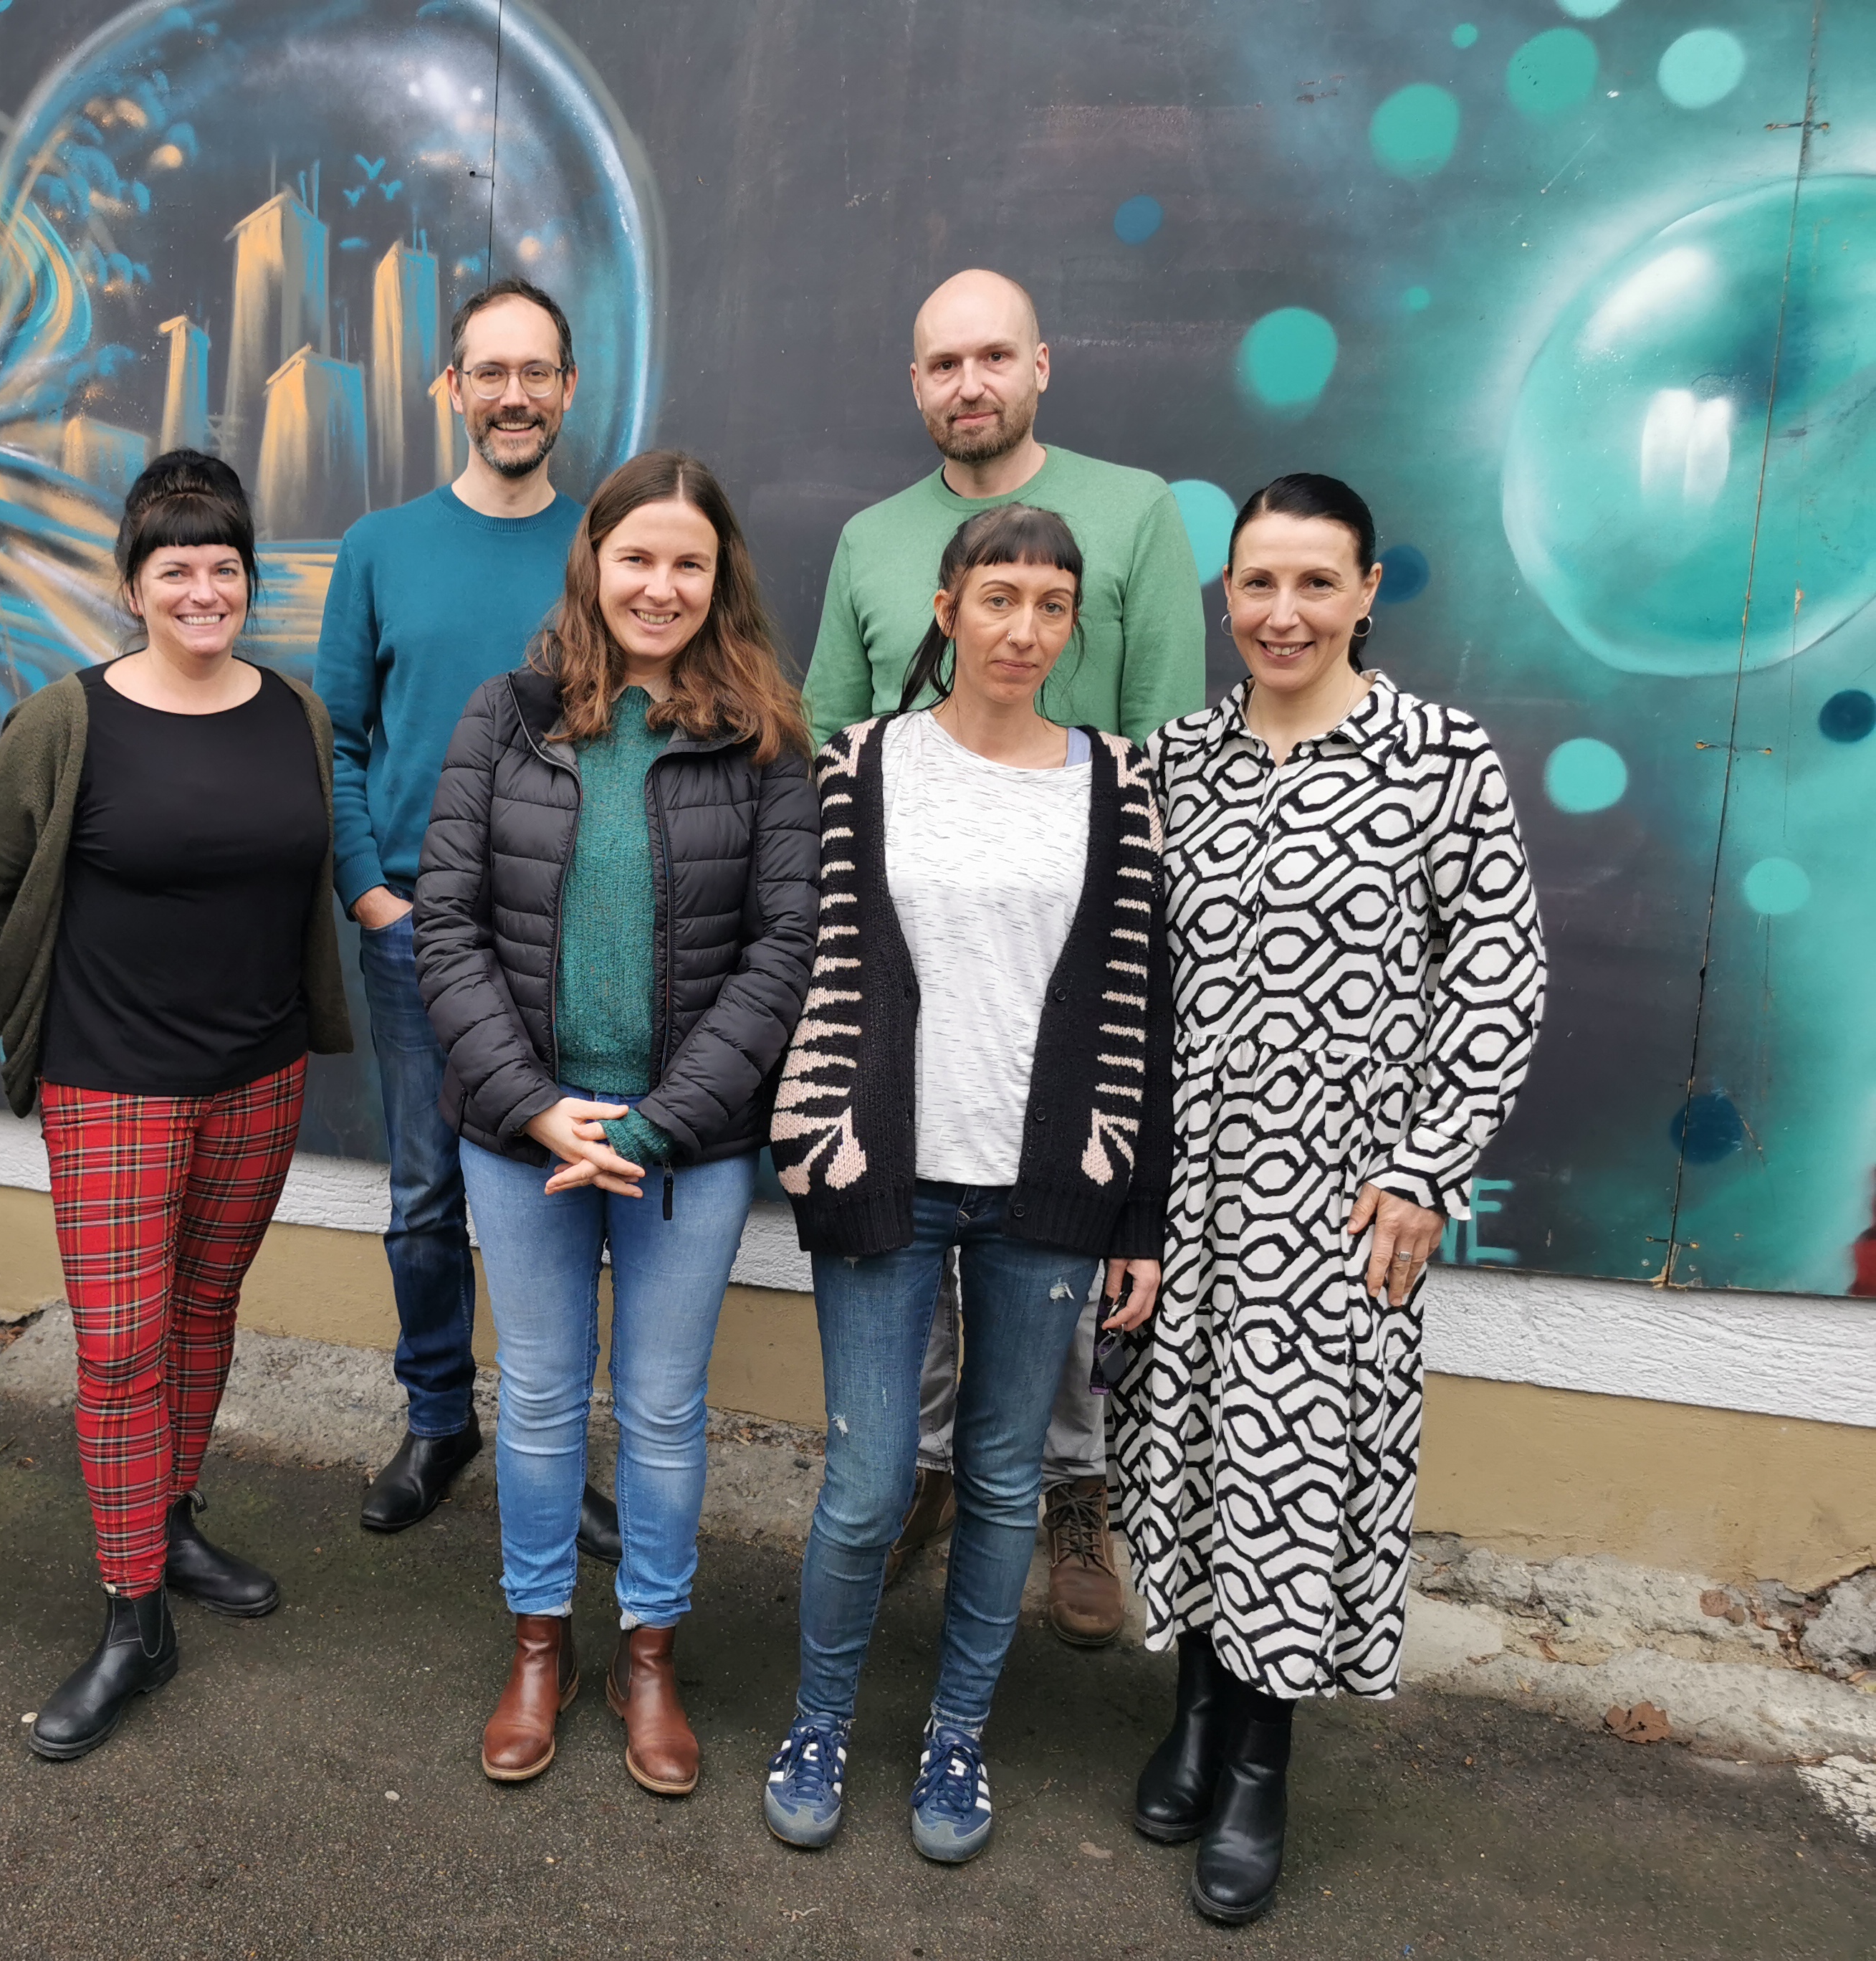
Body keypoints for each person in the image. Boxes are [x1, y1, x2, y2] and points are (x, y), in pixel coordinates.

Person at [1114, 474, 1546, 1924]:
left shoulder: (1439, 758)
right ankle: (1191, 1713)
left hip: (1341, 1206)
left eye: (1315, 583)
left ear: (1367, 593)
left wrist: (1427, 1165)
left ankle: (1258, 1763)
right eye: (1258, 583)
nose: (1283, 612)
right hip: (1185, 1202)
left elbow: (1499, 973)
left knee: (1290, 1481)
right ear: (1225, 596)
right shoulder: (1176, 762)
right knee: (1182, 1455)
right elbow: (1124, 979)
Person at [801, 268, 1207, 1645]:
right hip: (917, 950)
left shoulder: (1133, 512)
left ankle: (1073, 1494)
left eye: (992, 357)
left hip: (1067, 938)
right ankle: (918, 1478)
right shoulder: (870, 539)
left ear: (1042, 364)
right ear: (914, 383)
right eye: (942, 364)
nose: (967, 384)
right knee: (906, 1242)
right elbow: (829, 732)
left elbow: (1165, 732)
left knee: (1058, 1247)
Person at [763, 506, 1173, 1862]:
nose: (1025, 629)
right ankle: (820, 1721)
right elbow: (810, 964)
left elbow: (1143, 1010)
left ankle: (956, 1736)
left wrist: (1138, 1216)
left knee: (1003, 1479)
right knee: (868, 1482)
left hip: (1048, 1187)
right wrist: (811, 1137)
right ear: (947, 610)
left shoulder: (1116, 783)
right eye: (999, 598)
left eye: (1053, 605)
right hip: (883, 1170)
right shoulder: (860, 766)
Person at [414, 451, 819, 1795]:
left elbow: (782, 953)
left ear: (721, 578)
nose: (661, 585)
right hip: (518, 1136)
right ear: (593, 562)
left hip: (683, 1149)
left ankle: (650, 1652)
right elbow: (449, 930)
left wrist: (647, 1131)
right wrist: (538, 1110)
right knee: (536, 1399)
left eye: (689, 563)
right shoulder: (506, 717)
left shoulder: (765, 739)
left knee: (660, 1407)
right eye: (637, 556)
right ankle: (541, 1643)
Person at [0, 451, 353, 1762]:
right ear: (132, 587)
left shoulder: (292, 713)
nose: (202, 592)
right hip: (113, 1083)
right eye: (174, 569)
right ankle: (135, 1619)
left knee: (204, 1306)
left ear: (248, 580)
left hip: (259, 1075)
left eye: (223, 567)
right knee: (122, 1350)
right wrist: (32, 1018)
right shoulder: (67, 721)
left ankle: (170, 1520)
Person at [317, 277, 621, 1555]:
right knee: (426, 1196)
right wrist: (373, 893)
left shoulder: (609, 549)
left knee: (569, 1193)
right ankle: (439, 1420)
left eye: (535, 371)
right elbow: (338, 739)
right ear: (452, 389)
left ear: (567, 388)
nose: (512, 395)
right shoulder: (380, 548)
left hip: (572, 938)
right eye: (488, 372)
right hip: (417, 930)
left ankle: (555, 1444)